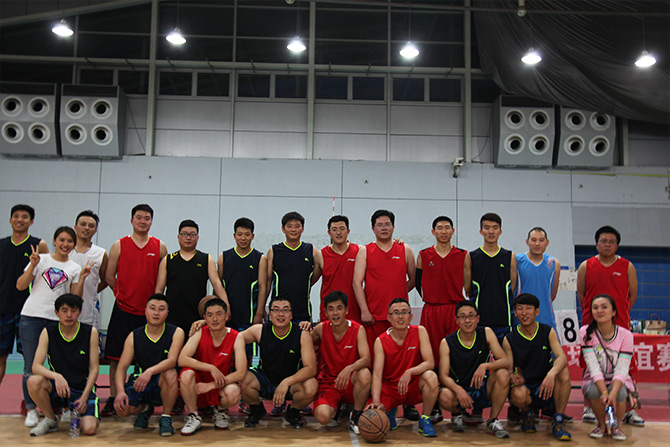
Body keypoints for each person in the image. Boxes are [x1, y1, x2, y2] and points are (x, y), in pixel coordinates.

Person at [17, 226, 91, 428]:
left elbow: (75, 298)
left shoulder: (74, 267)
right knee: (31, 365)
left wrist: (82, 278)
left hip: (57, 320)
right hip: (32, 317)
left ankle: (63, 407)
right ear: (54, 241)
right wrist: (32, 266)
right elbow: (21, 285)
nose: (65, 244)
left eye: (69, 241)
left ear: (74, 244)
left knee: (61, 365)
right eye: (62, 240)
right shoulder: (40, 260)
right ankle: (31, 409)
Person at [353, 209, 418, 421]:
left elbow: (413, 279)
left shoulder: (405, 249)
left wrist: (398, 295)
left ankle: (408, 403)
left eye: (387, 224)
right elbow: (357, 283)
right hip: (374, 318)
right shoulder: (365, 251)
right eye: (379, 225)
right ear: (373, 228)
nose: (384, 228)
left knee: (404, 363)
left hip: (399, 320)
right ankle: (377, 400)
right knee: (375, 365)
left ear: (393, 227)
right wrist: (365, 310)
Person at [103, 204, 167, 416]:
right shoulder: (119, 245)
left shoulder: (160, 247)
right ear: (132, 220)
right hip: (123, 310)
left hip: (149, 315)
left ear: (151, 221)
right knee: (116, 358)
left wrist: (153, 306)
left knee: (151, 359)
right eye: (139, 217)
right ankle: (114, 397)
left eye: (147, 218)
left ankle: (148, 399)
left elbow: (161, 281)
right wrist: (122, 295)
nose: (143, 221)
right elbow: (109, 276)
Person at [576, 225, 641, 426]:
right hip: (592, 323)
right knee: (590, 364)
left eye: (612, 242)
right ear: (596, 244)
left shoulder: (627, 266)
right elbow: (582, 294)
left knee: (626, 366)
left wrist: (617, 313)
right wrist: (596, 314)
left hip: (619, 323)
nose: (607, 245)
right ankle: (589, 407)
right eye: (603, 241)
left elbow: (632, 295)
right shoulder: (586, 266)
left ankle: (629, 409)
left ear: (617, 245)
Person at [26, 293, 100, 436]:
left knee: (89, 429)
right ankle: (51, 419)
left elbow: (94, 369)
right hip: (58, 387)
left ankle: (74, 412)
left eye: (73, 310)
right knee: (34, 381)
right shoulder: (48, 332)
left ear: (79, 312)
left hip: (81, 388)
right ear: (56, 312)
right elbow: (36, 366)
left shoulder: (90, 332)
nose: (69, 315)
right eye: (64, 311)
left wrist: (84, 397)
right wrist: (56, 376)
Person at [239, 297, 318, 429]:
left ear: (291, 315)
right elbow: (234, 338)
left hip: (292, 383)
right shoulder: (259, 330)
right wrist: (205, 323)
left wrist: (287, 382)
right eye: (276, 310)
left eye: (285, 310)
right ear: (269, 314)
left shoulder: (302, 334)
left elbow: (311, 368)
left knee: (311, 385)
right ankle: (256, 409)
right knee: (242, 378)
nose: (281, 314)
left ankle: (293, 411)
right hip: (265, 380)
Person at [113, 293, 184, 437]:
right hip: (140, 381)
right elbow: (121, 368)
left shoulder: (176, 332)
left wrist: (150, 371)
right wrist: (120, 392)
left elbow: (172, 360)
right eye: (152, 308)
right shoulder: (134, 336)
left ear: (167, 313)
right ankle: (145, 408)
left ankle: (165, 417)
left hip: (161, 381)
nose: (156, 313)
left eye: (161, 309)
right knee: (122, 410)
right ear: (145, 311)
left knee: (171, 373)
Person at [502, 293, 572, 441]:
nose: (524, 313)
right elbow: (508, 369)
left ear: (537, 311)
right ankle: (528, 413)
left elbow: (562, 357)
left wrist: (551, 374)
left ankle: (558, 420)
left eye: (528, 308)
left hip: (547, 386)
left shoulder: (548, 331)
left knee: (563, 372)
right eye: (520, 309)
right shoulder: (509, 339)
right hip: (527, 387)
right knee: (518, 394)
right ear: (515, 312)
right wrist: (513, 377)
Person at [437, 300, 510, 438]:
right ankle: (457, 414)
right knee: (444, 395)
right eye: (463, 316)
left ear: (478, 318)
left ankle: (492, 421)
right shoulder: (447, 342)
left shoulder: (486, 333)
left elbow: (505, 361)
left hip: (481, 387)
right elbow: (443, 376)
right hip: (460, 390)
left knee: (503, 374)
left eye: (471, 316)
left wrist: (485, 366)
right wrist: (458, 390)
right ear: (456, 320)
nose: (467, 320)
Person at [368, 298, 438, 437]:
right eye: (396, 313)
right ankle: (390, 411)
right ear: (389, 318)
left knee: (431, 376)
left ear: (411, 316)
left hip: (412, 385)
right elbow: (377, 374)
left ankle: (425, 419)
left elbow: (430, 362)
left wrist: (410, 371)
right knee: (374, 417)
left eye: (404, 312)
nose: (400, 316)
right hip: (390, 388)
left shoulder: (420, 331)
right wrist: (376, 401)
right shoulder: (380, 340)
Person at [178, 297, 247, 435]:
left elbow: (241, 373)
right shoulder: (199, 332)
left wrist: (210, 385)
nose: (214, 319)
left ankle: (220, 410)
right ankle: (193, 415)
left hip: (219, 386)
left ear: (226, 316)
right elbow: (182, 359)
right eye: (210, 315)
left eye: (218, 314)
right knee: (186, 374)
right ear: (205, 318)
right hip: (197, 388)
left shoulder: (236, 337)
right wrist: (210, 367)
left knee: (233, 392)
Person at [0, 204, 48, 387]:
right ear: (10, 219)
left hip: (29, 312)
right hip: (2, 309)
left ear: (31, 221)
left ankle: (31, 398)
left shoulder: (39, 245)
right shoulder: (2, 244)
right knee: (1, 357)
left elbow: (45, 275)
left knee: (31, 359)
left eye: (25, 217)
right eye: (16, 216)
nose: (20, 220)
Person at [155, 219, 228, 336]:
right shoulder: (168, 260)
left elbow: (217, 284)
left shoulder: (206, 259)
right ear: (178, 237)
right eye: (184, 234)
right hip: (172, 318)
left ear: (197, 237)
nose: (188, 238)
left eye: (192, 234)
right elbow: (159, 290)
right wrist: (157, 312)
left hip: (197, 320)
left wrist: (226, 306)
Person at [311, 291, 371, 434]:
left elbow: (366, 359)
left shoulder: (358, 329)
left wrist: (349, 369)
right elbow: (304, 341)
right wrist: (305, 327)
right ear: (326, 312)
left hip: (350, 381)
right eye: (331, 309)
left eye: (339, 308)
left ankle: (356, 415)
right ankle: (338, 407)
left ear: (346, 310)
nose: (335, 313)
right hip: (330, 383)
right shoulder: (320, 329)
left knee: (364, 374)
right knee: (322, 417)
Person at [416, 215, 471, 368]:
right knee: (431, 350)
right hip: (432, 309)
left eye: (447, 228)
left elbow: (467, 285)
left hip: (454, 309)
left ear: (453, 231)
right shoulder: (423, 255)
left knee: (455, 348)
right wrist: (431, 297)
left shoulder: (463, 255)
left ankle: (454, 378)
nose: (444, 231)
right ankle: (433, 379)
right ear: (433, 232)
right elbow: (418, 283)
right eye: (439, 228)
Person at [580, 294, 636, 441]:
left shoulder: (626, 335)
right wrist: (605, 391)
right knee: (593, 390)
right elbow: (592, 366)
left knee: (621, 392)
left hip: (618, 379)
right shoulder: (585, 332)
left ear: (613, 312)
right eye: (595, 307)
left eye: (604, 307)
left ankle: (616, 427)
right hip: (595, 378)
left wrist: (613, 392)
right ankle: (601, 425)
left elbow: (622, 368)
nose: (599, 311)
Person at [468, 212, 517, 343]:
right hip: (479, 321)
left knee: (504, 356)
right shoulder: (472, 257)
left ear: (500, 231)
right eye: (487, 227)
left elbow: (512, 288)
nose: (491, 231)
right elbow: (468, 289)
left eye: (495, 228)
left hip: (503, 320)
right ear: (481, 231)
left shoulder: (509, 257)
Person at [266, 212, 320, 324]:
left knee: (304, 335)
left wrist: (304, 284)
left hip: (302, 309)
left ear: (302, 229)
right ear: (283, 229)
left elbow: (317, 273)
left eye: (297, 226)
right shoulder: (274, 251)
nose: (293, 230)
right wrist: (261, 308)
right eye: (289, 226)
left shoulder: (311, 250)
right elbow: (267, 281)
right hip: (279, 311)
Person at [218, 217, 268, 333]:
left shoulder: (260, 258)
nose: (243, 238)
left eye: (247, 234)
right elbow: (218, 286)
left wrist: (259, 313)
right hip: (228, 316)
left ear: (253, 236)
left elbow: (263, 287)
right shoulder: (224, 257)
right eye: (240, 234)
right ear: (234, 235)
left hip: (249, 317)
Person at [315, 216, 361, 323]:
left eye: (342, 229)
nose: (338, 233)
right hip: (329, 313)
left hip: (354, 310)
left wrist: (396, 242)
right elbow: (309, 282)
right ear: (329, 233)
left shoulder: (359, 251)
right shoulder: (320, 255)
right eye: (334, 229)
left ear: (348, 231)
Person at [69, 210, 108, 329]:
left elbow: (105, 280)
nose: (86, 228)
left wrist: (93, 291)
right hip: (64, 307)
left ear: (95, 231)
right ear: (75, 227)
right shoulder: (65, 250)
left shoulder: (100, 253)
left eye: (91, 226)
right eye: (83, 224)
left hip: (88, 308)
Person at [515, 227, 560, 331]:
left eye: (541, 240)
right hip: (521, 319)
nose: (537, 244)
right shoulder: (517, 261)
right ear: (527, 242)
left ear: (547, 242)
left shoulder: (553, 263)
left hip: (546, 318)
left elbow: (552, 295)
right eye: (534, 240)